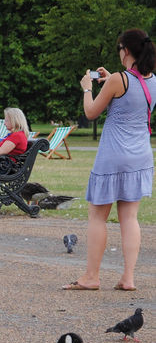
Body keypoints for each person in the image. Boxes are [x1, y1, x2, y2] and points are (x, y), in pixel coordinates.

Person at [63, 28, 155, 292]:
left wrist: (87, 88)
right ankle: (128, 278)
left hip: (114, 156)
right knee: (129, 217)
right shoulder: (152, 81)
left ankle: (91, 276)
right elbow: (131, 97)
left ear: (125, 50)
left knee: (97, 216)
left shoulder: (118, 79)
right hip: (140, 157)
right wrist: (110, 81)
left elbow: (91, 112)